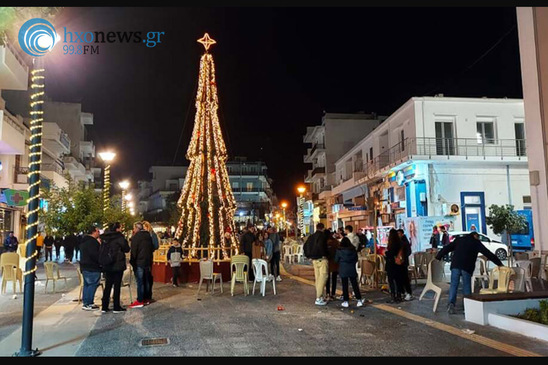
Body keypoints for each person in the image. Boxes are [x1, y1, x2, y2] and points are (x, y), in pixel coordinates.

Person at [436, 231, 504, 314]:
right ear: (475, 236)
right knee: (466, 286)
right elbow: (488, 253)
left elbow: (447, 248)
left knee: (454, 285)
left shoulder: (459, 240)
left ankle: (451, 304)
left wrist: (438, 256)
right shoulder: (476, 243)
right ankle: (467, 305)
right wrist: (499, 263)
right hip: (467, 267)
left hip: (456, 265)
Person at [100, 222, 130, 313]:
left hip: (107, 264)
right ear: (117, 228)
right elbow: (126, 249)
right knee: (117, 286)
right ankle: (116, 306)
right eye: (120, 227)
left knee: (108, 285)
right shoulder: (119, 237)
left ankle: (104, 306)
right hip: (117, 264)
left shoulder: (105, 237)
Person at [335, 235, 365, 308]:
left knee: (345, 285)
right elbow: (355, 259)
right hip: (351, 268)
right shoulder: (353, 250)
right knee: (354, 284)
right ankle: (359, 300)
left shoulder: (339, 251)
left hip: (343, 269)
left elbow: (336, 260)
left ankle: (346, 301)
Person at [130, 222, 155, 308]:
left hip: (139, 261)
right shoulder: (148, 236)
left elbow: (134, 251)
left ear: (136, 228)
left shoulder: (136, 237)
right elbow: (152, 248)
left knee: (140, 281)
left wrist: (132, 262)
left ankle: (140, 300)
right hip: (147, 261)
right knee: (146, 280)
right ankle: (147, 298)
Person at [303, 222, 329, 306]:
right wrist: (325, 254)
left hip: (314, 260)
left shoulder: (311, 237)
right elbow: (322, 246)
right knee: (323, 277)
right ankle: (319, 297)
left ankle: (319, 297)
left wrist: (308, 256)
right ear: (322, 228)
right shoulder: (322, 236)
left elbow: (305, 246)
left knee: (318, 278)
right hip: (322, 259)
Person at [79, 226, 102, 311]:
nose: (99, 233)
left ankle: (86, 302)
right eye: (98, 231)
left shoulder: (83, 241)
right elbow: (96, 255)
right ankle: (89, 303)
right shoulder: (93, 242)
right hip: (92, 267)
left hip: (84, 266)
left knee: (87, 285)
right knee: (93, 284)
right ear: (94, 232)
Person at [385, 228, 404, 303]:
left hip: (391, 264)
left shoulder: (392, 244)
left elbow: (390, 254)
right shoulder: (400, 243)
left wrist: (385, 253)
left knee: (391, 280)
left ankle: (393, 296)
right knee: (398, 280)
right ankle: (399, 295)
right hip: (398, 264)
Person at [397, 229, 413, 301]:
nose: (398, 235)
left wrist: (403, 257)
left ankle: (408, 292)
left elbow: (408, 251)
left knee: (405, 278)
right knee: (402, 278)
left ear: (402, 234)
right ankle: (404, 292)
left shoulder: (404, 242)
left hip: (403, 263)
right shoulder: (402, 241)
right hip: (402, 262)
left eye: (399, 234)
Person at [325, 229, 340, 301]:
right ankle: (333, 293)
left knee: (327, 279)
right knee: (334, 278)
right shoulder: (336, 242)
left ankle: (328, 292)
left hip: (327, 261)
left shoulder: (325, 242)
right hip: (335, 262)